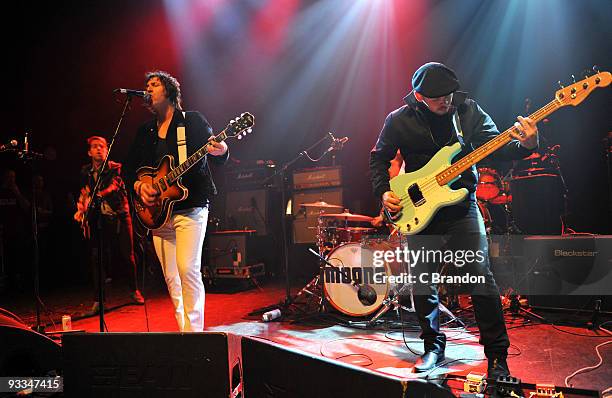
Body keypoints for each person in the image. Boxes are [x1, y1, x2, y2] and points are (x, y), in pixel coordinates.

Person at [369, 62, 538, 377]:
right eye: (437, 98)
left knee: (481, 278)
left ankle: (498, 358)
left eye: (448, 95)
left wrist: (526, 145)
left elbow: (497, 147)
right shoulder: (398, 120)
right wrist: (383, 192)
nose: (445, 102)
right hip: (417, 212)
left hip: (462, 208)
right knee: (422, 283)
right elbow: (378, 156)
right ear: (419, 96)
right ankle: (434, 346)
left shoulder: (468, 112)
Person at [124, 71, 228, 332]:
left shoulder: (191, 121)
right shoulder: (145, 131)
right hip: (158, 214)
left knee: (187, 269)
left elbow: (213, 153)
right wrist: (139, 186)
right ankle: (183, 331)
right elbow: (129, 169)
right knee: (171, 277)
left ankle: (195, 335)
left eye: (154, 84)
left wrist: (222, 149)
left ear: (169, 91)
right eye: (146, 84)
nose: (148, 88)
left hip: (190, 206)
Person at [74, 136, 144, 313]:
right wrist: (81, 206)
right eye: (95, 147)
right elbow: (84, 192)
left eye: (102, 146)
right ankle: (99, 301)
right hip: (100, 217)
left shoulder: (115, 167)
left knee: (127, 255)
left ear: (107, 150)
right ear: (89, 152)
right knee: (97, 258)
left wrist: (96, 196)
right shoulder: (85, 171)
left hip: (120, 215)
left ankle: (133, 290)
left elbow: (114, 186)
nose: (99, 149)